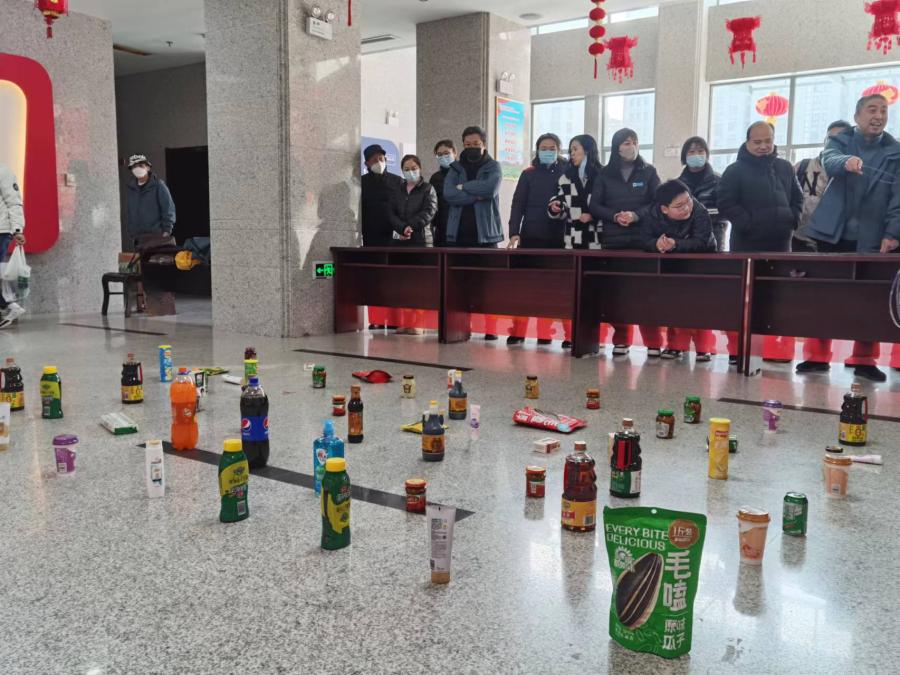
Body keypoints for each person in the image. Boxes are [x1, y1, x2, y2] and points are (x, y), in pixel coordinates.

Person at [799, 94, 900, 382]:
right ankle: (817, 356)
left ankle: (865, 360)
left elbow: (899, 197)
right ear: (857, 116)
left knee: (869, 301)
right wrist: (847, 161)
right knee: (823, 296)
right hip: (832, 234)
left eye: (883, 111)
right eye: (872, 110)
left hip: (873, 236)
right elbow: (830, 161)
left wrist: (893, 233)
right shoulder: (841, 140)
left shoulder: (895, 151)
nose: (878, 116)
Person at [717, 122, 803, 365]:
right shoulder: (735, 171)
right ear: (747, 142)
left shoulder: (784, 167)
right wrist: (748, 224)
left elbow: (798, 198)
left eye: (768, 141)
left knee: (777, 297)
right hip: (747, 245)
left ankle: (775, 351)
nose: (764, 146)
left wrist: (792, 220)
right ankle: (739, 350)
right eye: (757, 142)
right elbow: (726, 203)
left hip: (781, 244)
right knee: (744, 300)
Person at [590, 128, 661, 356]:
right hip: (613, 240)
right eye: (625, 142)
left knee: (647, 293)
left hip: (643, 240)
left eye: (634, 141)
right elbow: (594, 205)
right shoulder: (605, 174)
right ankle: (621, 339)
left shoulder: (649, 171)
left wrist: (636, 215)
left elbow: (658, 203)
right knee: (617, 292)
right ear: (616, 147)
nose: (630, 146)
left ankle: (653, 342)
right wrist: (614, 216)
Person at [638, 180, 716, 361]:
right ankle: (676, 346)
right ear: (664, 209)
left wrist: (675, 244)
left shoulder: (699, 210)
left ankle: (703, 348)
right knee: (673, 302)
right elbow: (644, 239)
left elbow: (701, 241)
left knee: (700, 304)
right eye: (679, 206)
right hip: (670, 263)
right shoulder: (652, 214)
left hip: (700, 261)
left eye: (688, 200)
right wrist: (656, 244)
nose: (687, 207)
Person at [507, 133, 568, 347]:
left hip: (558, 237)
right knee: (525, 288)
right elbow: (517, 204)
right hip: (531, 236)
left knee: (555, 288)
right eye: (544, 148)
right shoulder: (528, 174)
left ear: (559, 151)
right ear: (537, 150)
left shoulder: (567, 172)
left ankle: (548, 333)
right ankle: (518, 332)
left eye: (552, 148)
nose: (548, 151)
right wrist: (514, 232)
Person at [444, 126, 504, 340]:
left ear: (484, 145)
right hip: (458, 235)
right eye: (467, 145)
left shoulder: (493, 166)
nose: (471, 148)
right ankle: (462, 326)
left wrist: (463, 187)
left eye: (476, 144)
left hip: (485, 235)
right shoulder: (455, 168)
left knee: (488, 284)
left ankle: (491, 328)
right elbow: (449, 194)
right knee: (460, 283)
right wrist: (474, 195)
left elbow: (490, 189)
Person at [547, 134, 604, 350]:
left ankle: (596, 337)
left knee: (596, 289)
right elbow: (558, 203)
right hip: (573, 238)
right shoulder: (566, 177)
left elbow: (610, 205)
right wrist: (555, 207)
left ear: (588, 150)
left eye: (576, 149)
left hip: (598, 238)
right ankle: (572, 335)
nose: (572, 154)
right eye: (570, 150)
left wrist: (594, 215)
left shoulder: (602, 175)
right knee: (574, 289)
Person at [389, 154, 438, 335]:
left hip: (421, 242)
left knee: (420, 284)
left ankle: (420, 323)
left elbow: (429, 211)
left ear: (420, 168)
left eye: (413, 168)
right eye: (406, 169)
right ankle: (406, 322)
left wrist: (411, 226)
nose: (410, 172)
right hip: (401, 243)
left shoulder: (428, 189)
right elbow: (391, 212)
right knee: (403, 284)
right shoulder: (397, 190)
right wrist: (402, 228)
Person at [360, 143, 404, 330]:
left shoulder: (397, 181)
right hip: (371, 237)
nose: (379, 162)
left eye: (381, 158)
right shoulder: (362, 182)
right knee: (374, 279)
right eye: (374, 160)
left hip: (393, 237)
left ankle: (394, 320)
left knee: (394, 279)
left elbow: (403, 209)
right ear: (367, 163)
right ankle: (377, 319)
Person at [793, 120, 853, 253]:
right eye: (831, 139)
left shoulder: (854, 172)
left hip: (835, 245)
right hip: (799, 241)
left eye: (840, 140)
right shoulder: (802, 167)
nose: (834, 144)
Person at [678, 136, 726, 252]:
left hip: (714, 235)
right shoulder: (677, 184)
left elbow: (725, 210)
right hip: (685, 237)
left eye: (700, 151)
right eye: (691, 151)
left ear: (706, 154)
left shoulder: (718, 181)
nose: (696, 155)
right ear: (685, 155)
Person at [0, 163, 27, 328]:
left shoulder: (3, 171)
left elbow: (14, 202)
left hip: (1, 231)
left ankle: (9, 306)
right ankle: (8, 306)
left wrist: (17, 229)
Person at [429, 140, 456, 247]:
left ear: (454, 153)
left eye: (446, 153)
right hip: (442, 228)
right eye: (439, 154)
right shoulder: (435, 178)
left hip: (462, 228)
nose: (443, 157)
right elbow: (432, 204)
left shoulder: (464, 174)